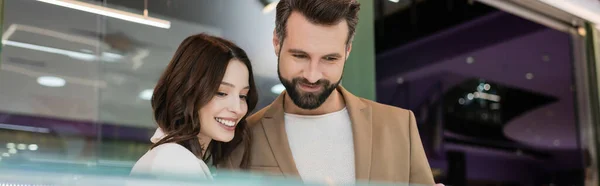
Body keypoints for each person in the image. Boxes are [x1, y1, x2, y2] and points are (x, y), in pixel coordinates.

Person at [220, 0, 436, 185]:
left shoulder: (399, 125)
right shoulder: (241, 139)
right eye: (300, 56)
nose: (312, 75)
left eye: (330, 59)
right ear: (277, 42)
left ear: (347, 50)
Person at [130, 33, 258, 179]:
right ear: (188, 91)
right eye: (221, 93)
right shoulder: (175, 162)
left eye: (243, 96)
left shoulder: (177, 157)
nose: (238, 108)